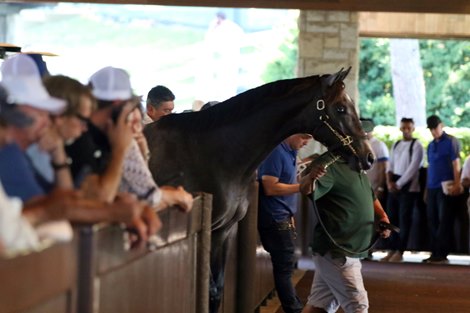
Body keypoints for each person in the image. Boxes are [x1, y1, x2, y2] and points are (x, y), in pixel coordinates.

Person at [299, 152, 391, 313]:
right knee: (358, 306)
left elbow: (369, 195)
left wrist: (382, 215)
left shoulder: (357, 166)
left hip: (349, 249)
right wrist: (310, 178)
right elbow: (306, 189)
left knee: (319, 306)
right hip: (337, 250)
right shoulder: (330, 165)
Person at [257, 133, 313, 313]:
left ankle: (294, 308)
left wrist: (291, 214)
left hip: (283, 216)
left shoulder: (290, 152)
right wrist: (300, 187)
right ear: (292, 133)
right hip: (275, 218)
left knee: (285, 268)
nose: (306, 143)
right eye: (304, 138)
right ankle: (294, 309)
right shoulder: (276, 152)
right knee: (284, 270)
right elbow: (269, 186)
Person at [381, 117, 424, 262]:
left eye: (408, 128)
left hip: (408, 188)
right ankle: (391, 249)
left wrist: (398, 184)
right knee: (391, 218)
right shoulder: (396, 144)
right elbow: (390, 165)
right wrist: (389, 182)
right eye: (403, 127)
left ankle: (400, 250)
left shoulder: (417, 145)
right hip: (394, 185)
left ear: (413, 129)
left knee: (404, 220)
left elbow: (413, 168)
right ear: (400, 128)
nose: (406, 130)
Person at [423, 115, 462, 263]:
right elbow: (430, 167)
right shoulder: (430, 145)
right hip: (432, 187)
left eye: (435, 127)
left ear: (441, 125)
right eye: (431, 129)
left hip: (446, 186)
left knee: (444, 220)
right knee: (432, 219)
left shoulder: (451, 141)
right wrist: (426, 189)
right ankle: (434, 252)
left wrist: (457, 184)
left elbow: (456, 164)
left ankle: (441, 253)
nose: (434, 131)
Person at [361, 118, 389, 206]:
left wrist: (380, 188)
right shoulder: (358, 145)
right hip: (362, 190)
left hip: (375, 189)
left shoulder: (379, 145)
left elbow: (384, 167)